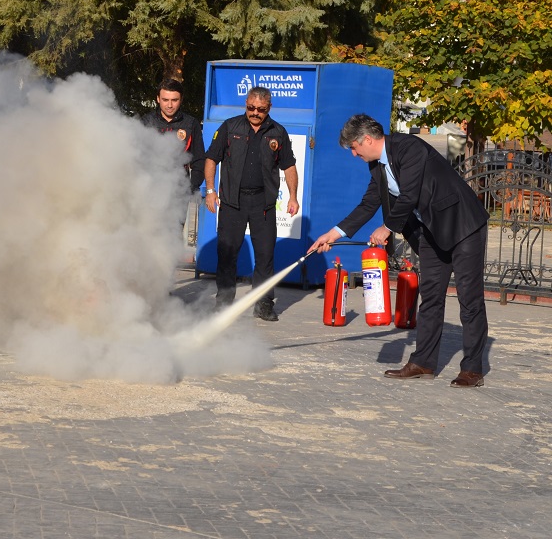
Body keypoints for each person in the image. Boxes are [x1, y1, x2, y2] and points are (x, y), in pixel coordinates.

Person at [309, 114, 490, 388]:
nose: (355, 155)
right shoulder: (377, 167)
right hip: (431, 231)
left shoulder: (409, 148)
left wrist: (387, 228)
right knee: (430, 298)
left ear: (367, 140)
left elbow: (410, 195)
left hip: (463, 225)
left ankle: (472, 369)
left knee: (470, 300)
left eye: (354, 149)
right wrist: (332, 235)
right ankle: (423, 363)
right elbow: (367, 205)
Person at [203, 86, 299, 321]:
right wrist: (210, 190)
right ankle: (224, 304)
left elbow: (289, 166)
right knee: (227, 254)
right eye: (251, 108)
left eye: (261, 109)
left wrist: (293, 196)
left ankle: (264, 304)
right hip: (232, 202)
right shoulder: (230, 127)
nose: (255, 113)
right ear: (245, 103)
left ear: (269, 108)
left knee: (265, 257)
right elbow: (211, 159)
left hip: (263, 204)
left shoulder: (278, 132)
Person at [141, 78, 205, 195]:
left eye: (174, 100)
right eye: (165, 100)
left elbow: (199, 161)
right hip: (149, 191)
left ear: (181, 100)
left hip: (179, 192)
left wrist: (190, 187)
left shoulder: (191, 124)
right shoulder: (146, 122)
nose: (169, 105)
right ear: (158, 99)